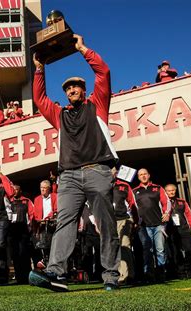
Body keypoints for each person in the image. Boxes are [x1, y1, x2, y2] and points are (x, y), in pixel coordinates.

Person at [29, 34, 120, 292]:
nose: (71, 90)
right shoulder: (60, 115)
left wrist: (82, 49)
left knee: (106, 224)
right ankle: (56, 273)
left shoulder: (98, 105)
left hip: (98, 170)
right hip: (68, 176)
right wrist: (39, 69)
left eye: (76, 86)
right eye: (68, 88)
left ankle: (111, 275)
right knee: (64, 223)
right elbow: (40, 99)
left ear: (84, 89)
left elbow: (103, 72)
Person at [132, 168, 170, 283]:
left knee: (160, 250)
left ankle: (161, 274)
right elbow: (132, 207)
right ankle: (149, 275)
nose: (143, 176)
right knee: (147, 251)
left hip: (158, 224)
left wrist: (167, 213)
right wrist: (134, 221)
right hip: (143, 226)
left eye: (145, 174)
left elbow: (166, 202)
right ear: (138, 177)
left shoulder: (157, 188)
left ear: (149, 175)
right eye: (140, 175)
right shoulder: (134, 191)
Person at [164, 184, 191, 279]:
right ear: (165, 192)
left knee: (190, 251)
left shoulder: (182, 202)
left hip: (184, 230)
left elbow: (189, 216)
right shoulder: (162, 203)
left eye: (173, 190)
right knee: (176, 253)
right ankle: (181, 273)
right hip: (171, 231)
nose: (171, 192)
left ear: (175, 191)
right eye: (169, 191)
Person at [112, 169, 138, 285]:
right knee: (112, 249)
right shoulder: (101, 186)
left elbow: (132, 203)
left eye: (112, 172)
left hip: (123, 219)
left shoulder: (124, 185)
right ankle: (117, 274)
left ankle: (127, 275)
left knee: (124, 246)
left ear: (116, 173)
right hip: (109, 222)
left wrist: (136, 220)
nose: (110, 174)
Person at [8, 184, 34, 284]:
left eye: (17, 189)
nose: (15, 191)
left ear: (20, 191)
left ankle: (26, 277)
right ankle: (19, 278)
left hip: (23, 231)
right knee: (14, 254)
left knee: (24, 253)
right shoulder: (9, 201)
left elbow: (32, 215)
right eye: (13, 189)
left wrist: (30, 227)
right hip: (12, 231)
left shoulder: (26, 201)